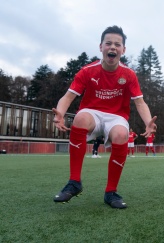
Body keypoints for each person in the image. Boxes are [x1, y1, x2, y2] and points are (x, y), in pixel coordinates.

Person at [52, 25, 157, 209]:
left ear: (123, 50)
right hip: (92, 113)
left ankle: (111, 192)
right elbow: (68, 96)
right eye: (108, 43)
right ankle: (74, 182)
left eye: (117, 44)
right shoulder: (87, 71)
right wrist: (60, 114)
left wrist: (148, 123)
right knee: (80, 119)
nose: (113, 47)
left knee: (120, 135)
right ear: (101, 47)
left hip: (116, 116)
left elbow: (140, 102)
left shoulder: (129, 74)